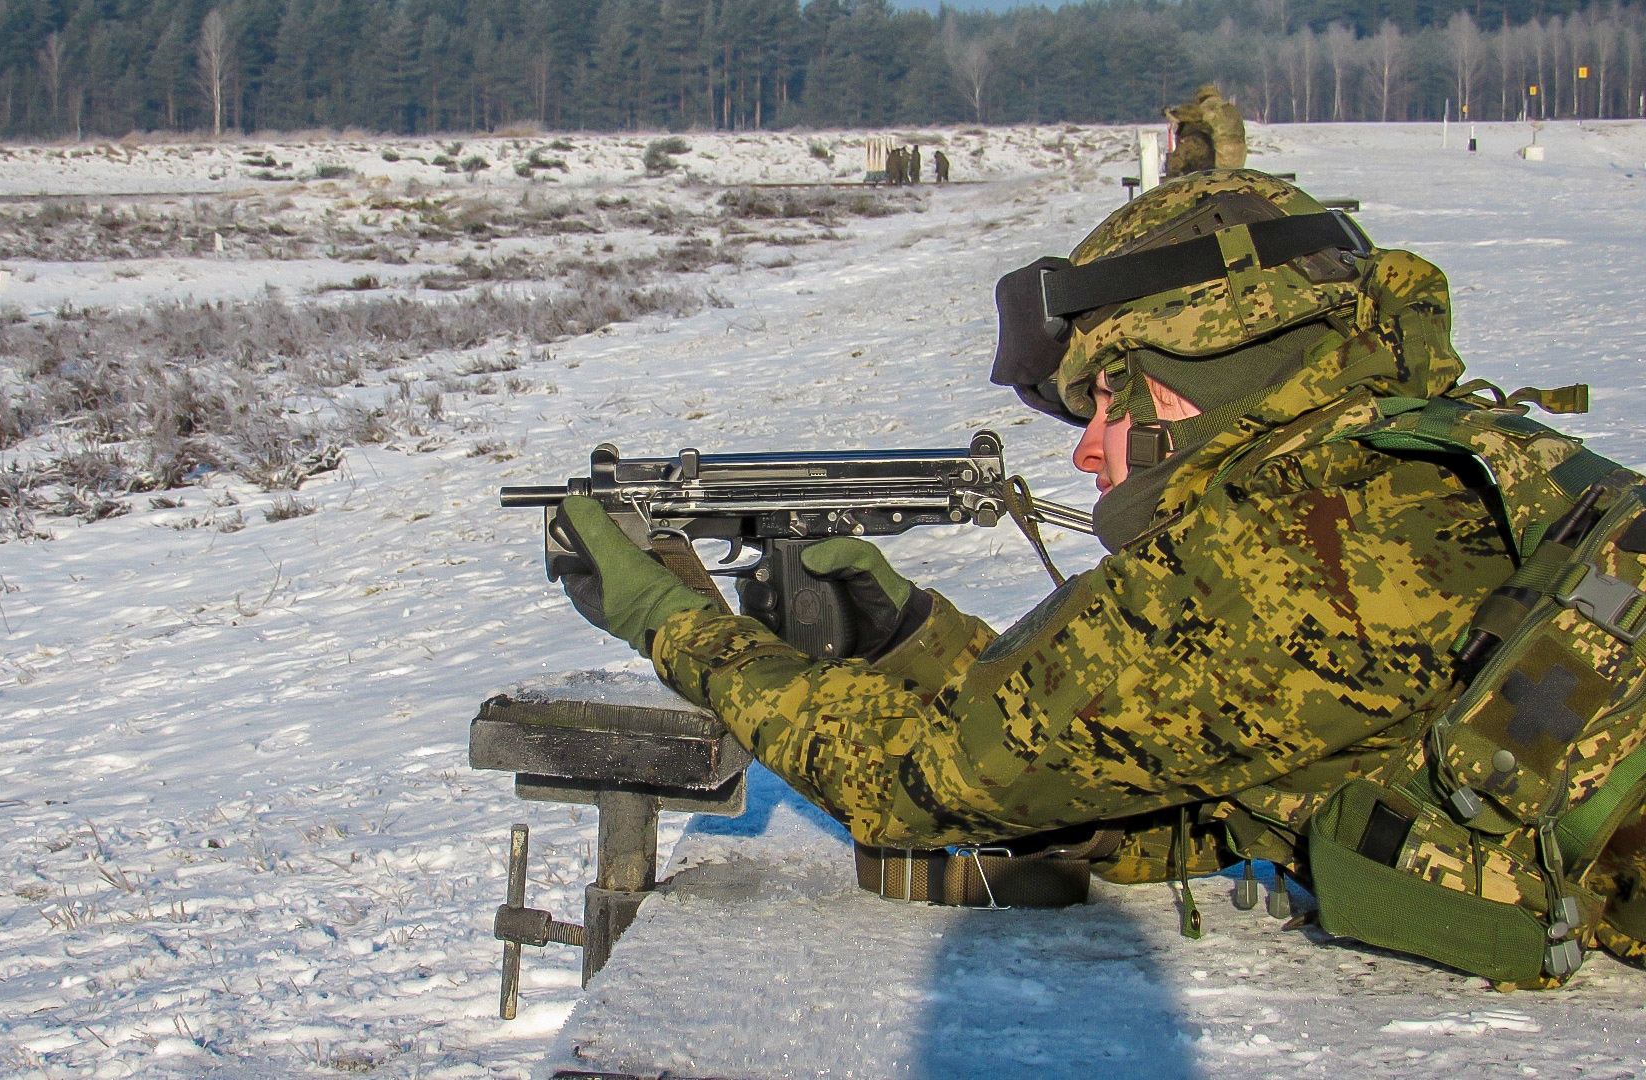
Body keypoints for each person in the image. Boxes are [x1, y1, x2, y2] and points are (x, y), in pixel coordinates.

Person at [547, 170, 1646, 987]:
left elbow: (918, 781)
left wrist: (672, 619)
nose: (1087, 451)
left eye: (1105, 401)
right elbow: (1130, 745)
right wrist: (911, 634)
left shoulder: (1281, 553)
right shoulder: (1412, 463)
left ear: (1187, 372)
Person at [1164, 83, 1246, 178]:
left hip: (1221, 157)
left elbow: (1191, 114)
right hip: (1239, 158)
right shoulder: (1230, 108)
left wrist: (1172, 112)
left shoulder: (1209, 105)